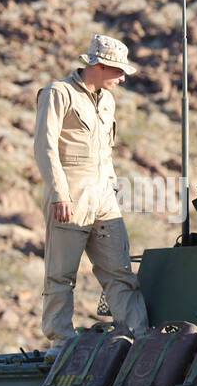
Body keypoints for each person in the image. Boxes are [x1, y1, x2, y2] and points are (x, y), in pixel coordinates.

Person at [34, 34, 149, 350]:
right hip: (71, 196)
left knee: (120, 272)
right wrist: (60, 194)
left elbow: (106, 152)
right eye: (118, 70)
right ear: (98, 65)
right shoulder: (59, 94)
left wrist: (111, 189)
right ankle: (60, 341)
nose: (123, 77)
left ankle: (138, 336)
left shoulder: (108, 101)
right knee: (61, 275)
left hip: (103, 199)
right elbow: (45, 147)